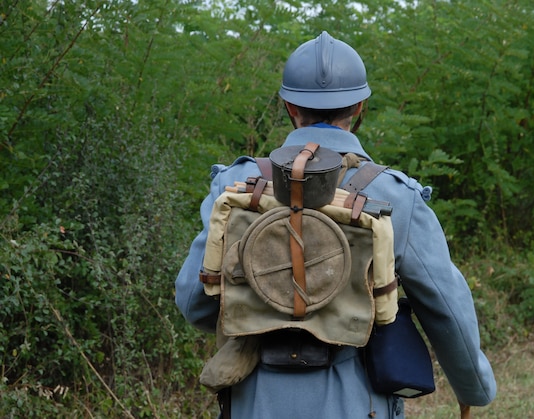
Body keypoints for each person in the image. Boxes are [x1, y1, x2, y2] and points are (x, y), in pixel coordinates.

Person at [175, 31, 496, 418]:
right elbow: (447, 311)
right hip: (357, 403)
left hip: (253, 401)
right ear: (359, 107)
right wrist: (473, 389)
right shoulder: (394, 195)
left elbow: (195, 304)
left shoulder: (237, 185)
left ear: (289, 105)